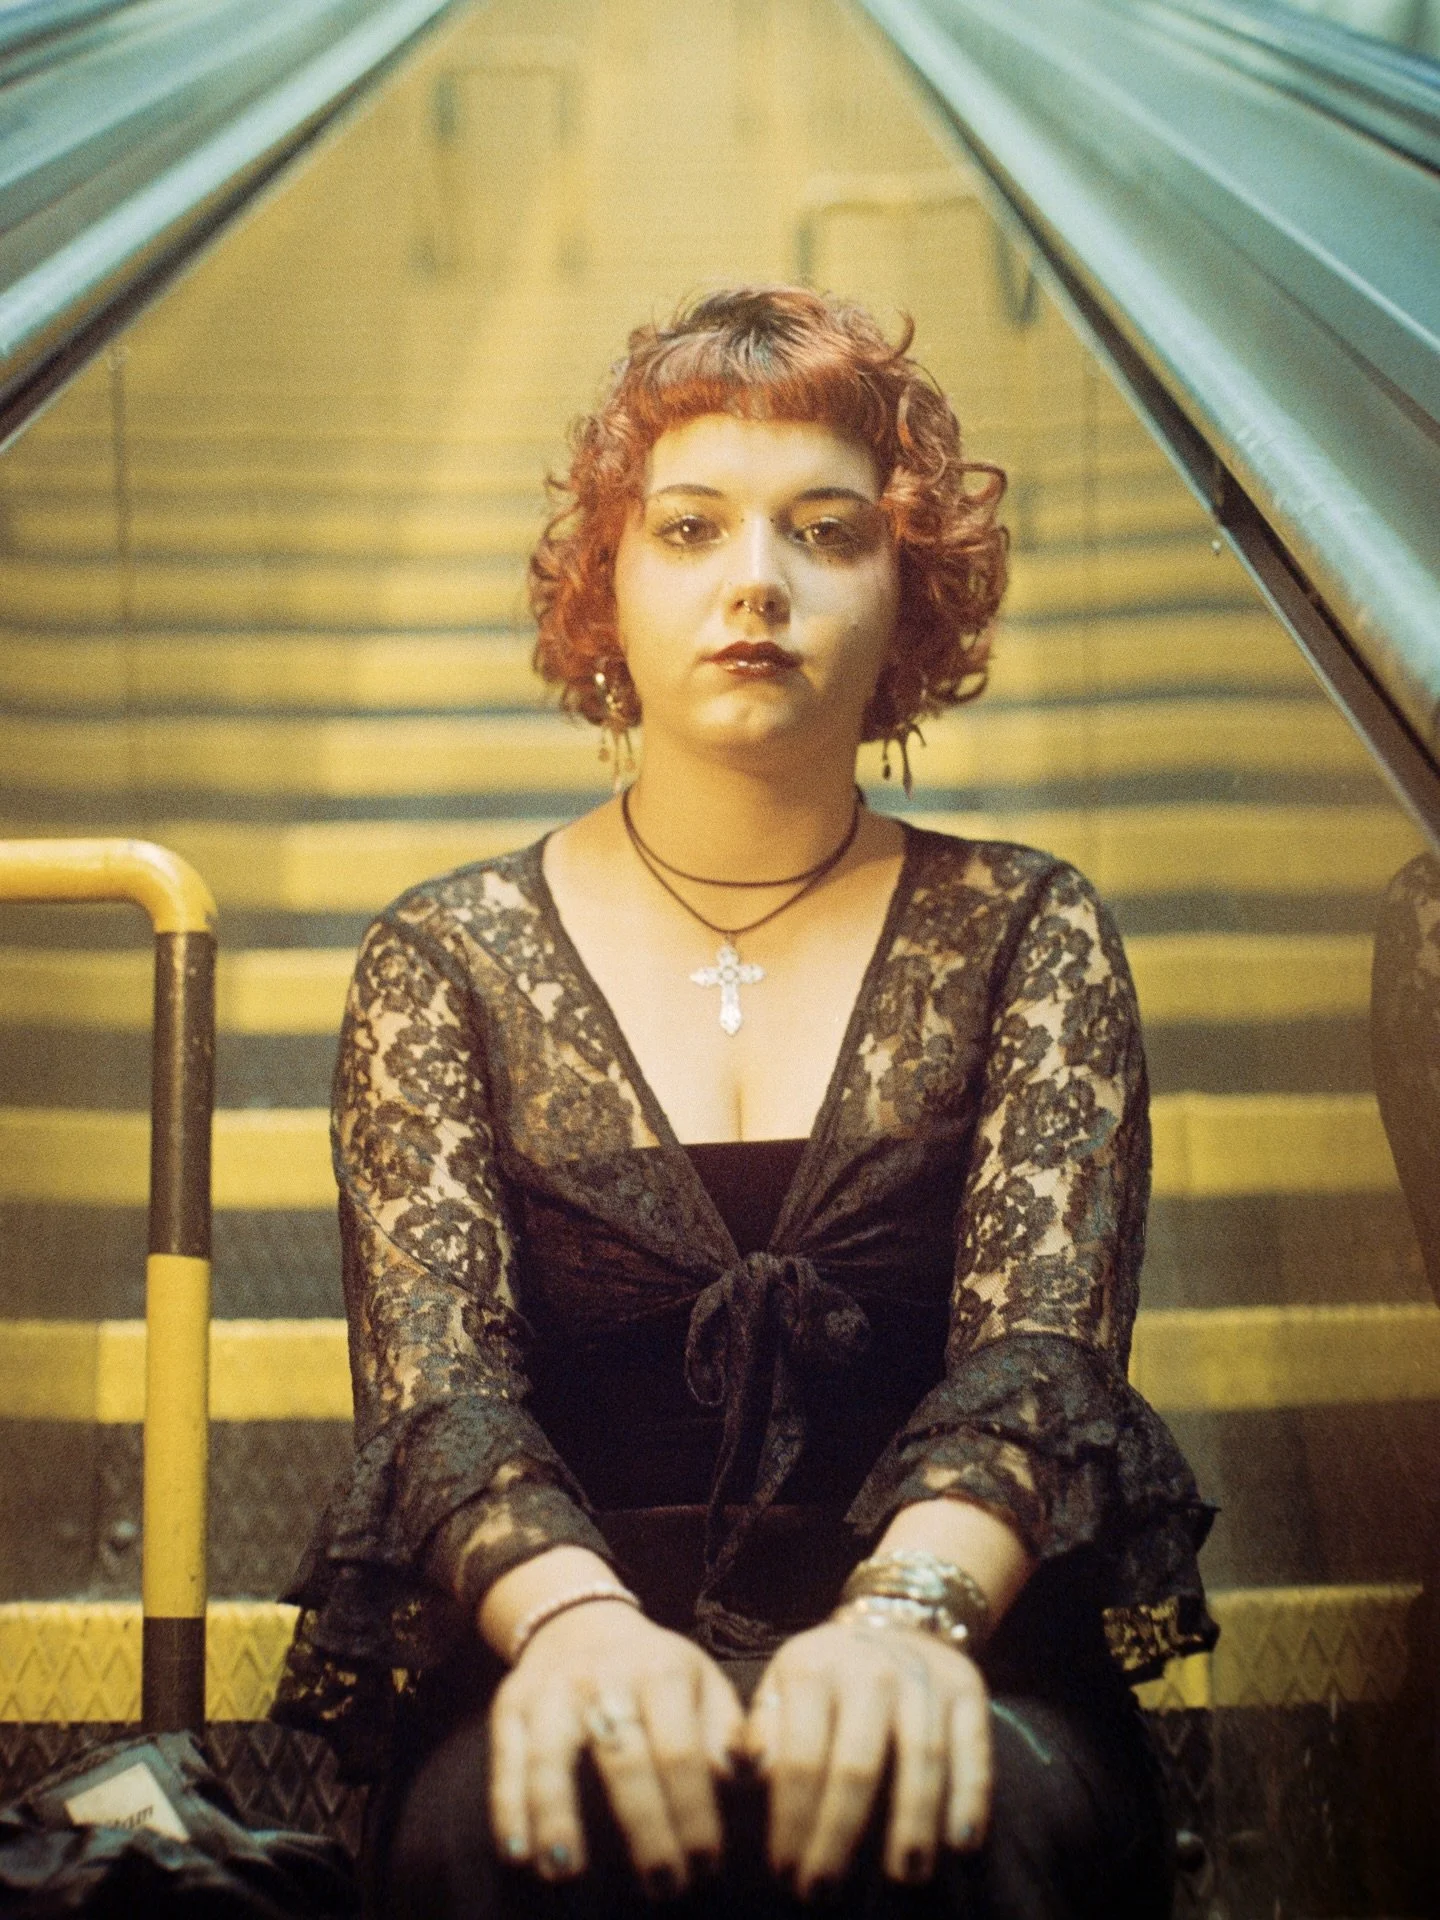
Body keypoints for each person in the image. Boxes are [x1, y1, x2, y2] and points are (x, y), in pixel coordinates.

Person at [273, 286, 1216, 1918]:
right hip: (548, 1642)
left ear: (907, 594)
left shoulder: (1027, 928)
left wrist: (905, 1627)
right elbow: (442, 1408)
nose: (757, 584)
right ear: (607, 589)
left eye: (826, 532)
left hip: (966, 1650)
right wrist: (573, 1631)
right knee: (496, 1839)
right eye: (692, 527)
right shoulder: (447, 958)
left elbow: (1037, 1367)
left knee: (956, 1822)